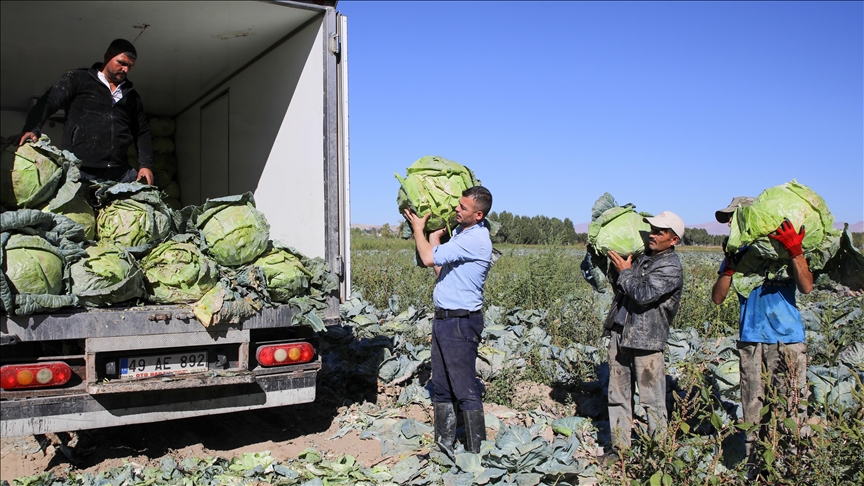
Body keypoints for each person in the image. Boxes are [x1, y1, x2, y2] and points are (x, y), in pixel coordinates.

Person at [711, 197, 812, 463]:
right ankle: (757, 468)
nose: (730, 223)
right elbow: (718, 298)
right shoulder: (738, 254)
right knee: (753, 408)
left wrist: (796, 252)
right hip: (751, 339)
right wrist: (729, 268)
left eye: (734, 217)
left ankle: (791, 467)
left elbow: (806, 287)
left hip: (787, 340)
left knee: (789, 407)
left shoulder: (779, 252)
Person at [403, 186, 493, 456]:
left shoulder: (475, 239)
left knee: (464, 387)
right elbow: (440, 269)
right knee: (441, 386)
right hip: (445, 320)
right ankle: (444, 446)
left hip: (461, 322)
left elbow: (429, 259)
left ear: (478, 215)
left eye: (463, 208)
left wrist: (418, 229)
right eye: (458, 204)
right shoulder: (461, 235)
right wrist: (433, 236)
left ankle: (477, 453)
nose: (457, 209)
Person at [15, 39, 153, 185]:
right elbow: (48, 102)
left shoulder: (131, 95)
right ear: (107, 56)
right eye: (122, 63)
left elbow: (141, 131)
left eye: (130, 66)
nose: (125, 70)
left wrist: (146, 165)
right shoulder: (78, 79)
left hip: (119, 173)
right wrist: (32, 128)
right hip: (80, 170)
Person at [604, 211, 685, 455]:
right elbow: (621, 285)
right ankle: (620, 450)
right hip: (621, 333)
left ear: (673, 240)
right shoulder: (641, 258)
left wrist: (626, 272)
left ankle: (659, 452)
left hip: (647, 339)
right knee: (617, 395)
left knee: (652, 400)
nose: (653, 235)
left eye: (661, 232)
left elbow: (643, 294)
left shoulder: (670, 266)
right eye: (653, 229)